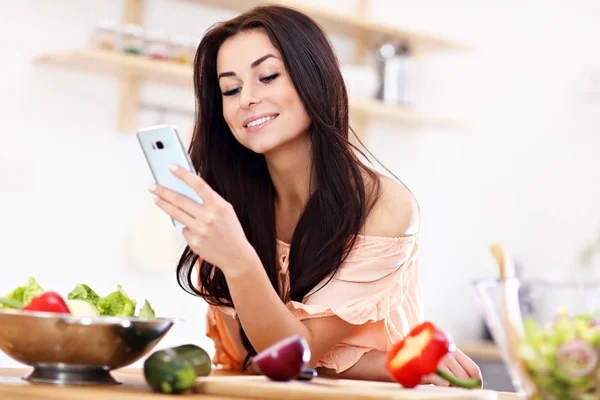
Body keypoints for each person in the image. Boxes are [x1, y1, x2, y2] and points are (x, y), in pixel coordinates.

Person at [149, 4, 481, 386]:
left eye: (268, 76)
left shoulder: (384, 207)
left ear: (314, 78)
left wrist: (238, 260)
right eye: (231, 88)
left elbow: (291, 355)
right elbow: (250, 356)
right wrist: (377, 363)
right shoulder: (231, 205)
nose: (247, 99)